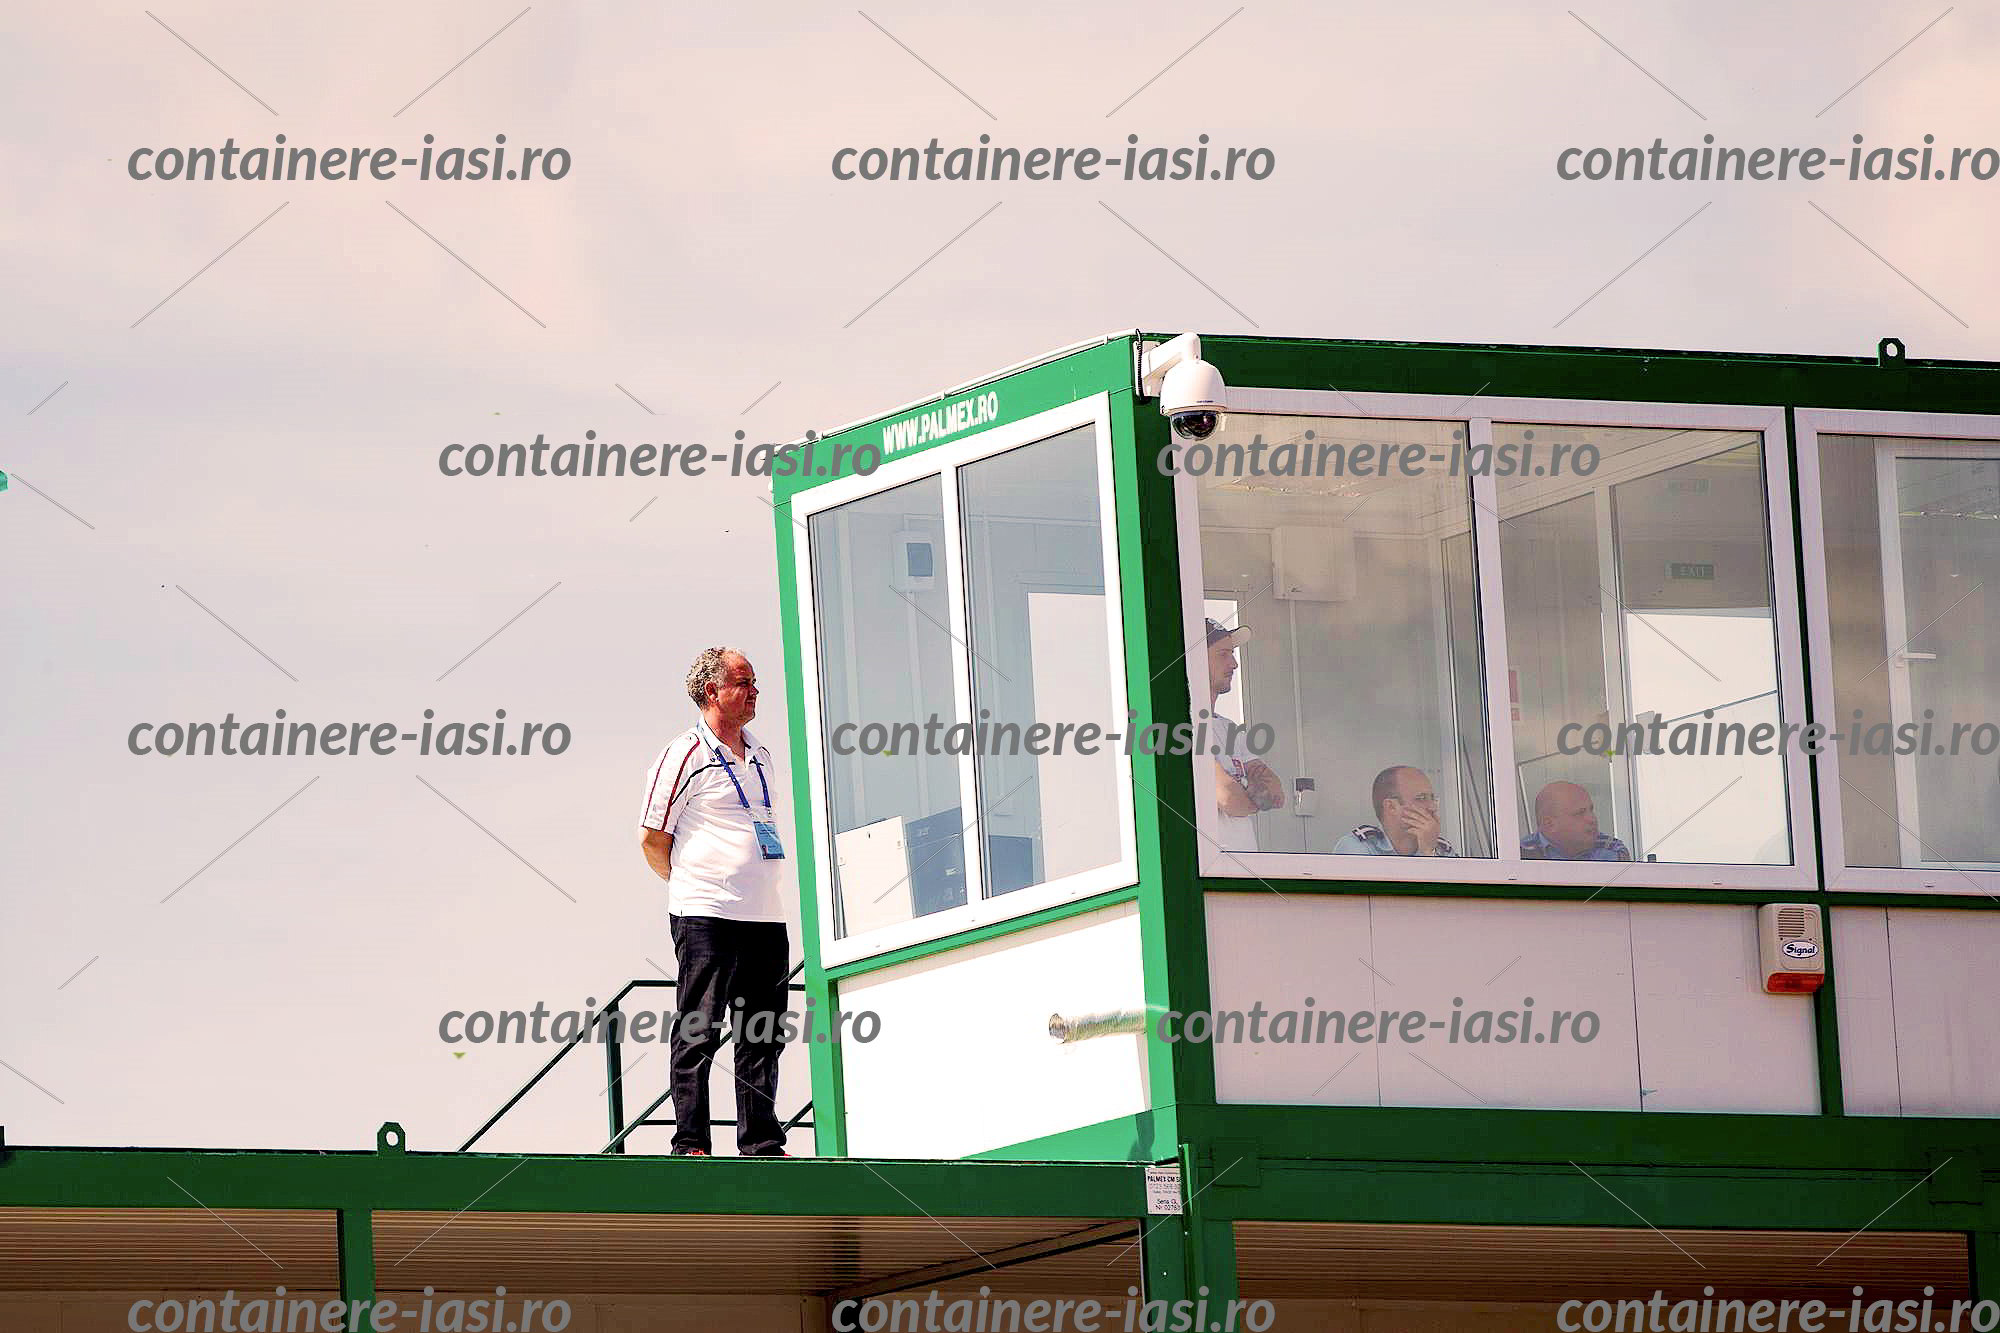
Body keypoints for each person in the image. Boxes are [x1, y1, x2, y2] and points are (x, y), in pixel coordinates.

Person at [639, 647, 792, 1158]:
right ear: (712, 691)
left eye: (754, 682)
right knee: (699, 1026)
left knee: (763, 1031)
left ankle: (761, 1141)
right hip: (706, 912)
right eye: (743, 682)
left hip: (764, 915)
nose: (754, 691)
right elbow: (652, 836)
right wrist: (688, 882)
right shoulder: (684, 753)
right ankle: (691, 1142)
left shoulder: (762, 754)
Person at [1206, 617, 1283, 851]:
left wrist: (1247, 796)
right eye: (1223, 654)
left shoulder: (1229, 727)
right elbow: (1229, 798)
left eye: (1232, 654)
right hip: (1210, 867)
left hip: (1244, 864)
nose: (1234, 664)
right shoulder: (1181, 726)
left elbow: (1274, 790)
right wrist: (1253, 792)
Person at [1332, 765, 1457, 856]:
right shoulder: (1357, 846)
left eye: (1432, 798)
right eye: (1421, 798)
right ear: (1391, 806)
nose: (1433, 807)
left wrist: (1430, 851)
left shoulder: (1441, 849)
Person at [1521, 780, 1631, 861]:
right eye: (1580, 813)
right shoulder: (1520, 854)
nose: (1592, 819)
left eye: (1591, 810)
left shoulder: (1611, 850)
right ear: (1549, 824)